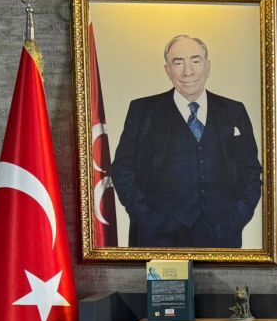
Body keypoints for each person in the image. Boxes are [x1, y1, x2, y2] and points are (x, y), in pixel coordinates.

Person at [112, 34, 263, 248]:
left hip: (221, 236)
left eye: (195, 60)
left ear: (207, 67)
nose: (188, 71)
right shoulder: (142, 111)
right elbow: (122, 169)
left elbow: (251, 171)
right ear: (168, 70)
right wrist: (146, 218)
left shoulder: (234, 111)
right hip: (158, 237)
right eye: (178, 62)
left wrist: (237, 218)